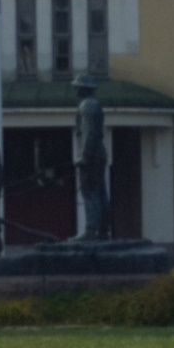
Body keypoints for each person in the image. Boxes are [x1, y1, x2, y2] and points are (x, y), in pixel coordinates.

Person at [73, 78, 109, 241]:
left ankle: (91, 229)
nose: (76, 91)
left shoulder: (87, 105)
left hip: (92, 155)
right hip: (98, 153)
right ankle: (103, 229)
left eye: (78, 87)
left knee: (89, 192)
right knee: (100, 192)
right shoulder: (95, 104)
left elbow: (89, 133)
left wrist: (84, 156)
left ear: (85, 89)